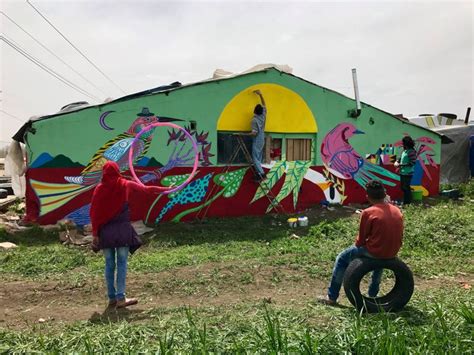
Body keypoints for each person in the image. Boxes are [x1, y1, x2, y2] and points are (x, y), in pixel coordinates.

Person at [318, 180, 404, 306]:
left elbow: (361, 240)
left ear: (368, 197)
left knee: (342, 258)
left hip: (376, 251)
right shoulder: (397, 210)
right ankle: (373, 295)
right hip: (393, 251)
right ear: (384, 194)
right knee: (378, 263)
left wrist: (360, 246)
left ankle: (332, 297)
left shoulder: (368, 212)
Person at [90, 161, 154, 308]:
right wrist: (168, 189)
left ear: (104, 172)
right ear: (117, 171)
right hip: (123, 231)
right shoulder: (125, 184)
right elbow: (147, 190)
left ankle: (112, 297)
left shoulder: (99, 189)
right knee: (122, 263)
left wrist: (95, 234)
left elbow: (94, 213)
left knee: (109, 264)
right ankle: (121, 297)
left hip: (106, 233)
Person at [394, 136, 417, 205]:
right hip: (403, 172)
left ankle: (407, 203)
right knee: (403, 187)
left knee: (406, 187)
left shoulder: (411, 151)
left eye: (403, 143)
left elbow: (412, 162)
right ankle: (406, 201)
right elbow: (400, 158)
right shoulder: (405, 151)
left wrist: (400, 165)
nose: (402, 144)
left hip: (408, 172)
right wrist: (397, 161)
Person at [250, 90, 267, 180]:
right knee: (258, 157)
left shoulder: (254, 120)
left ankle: (262, 173)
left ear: (254, 111)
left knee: (254, 158)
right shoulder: (263, 115)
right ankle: (259, 173)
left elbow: (254, 133)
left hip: (257, 139)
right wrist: (260, 94)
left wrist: (246, 134)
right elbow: (264, 104)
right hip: (262, 138)